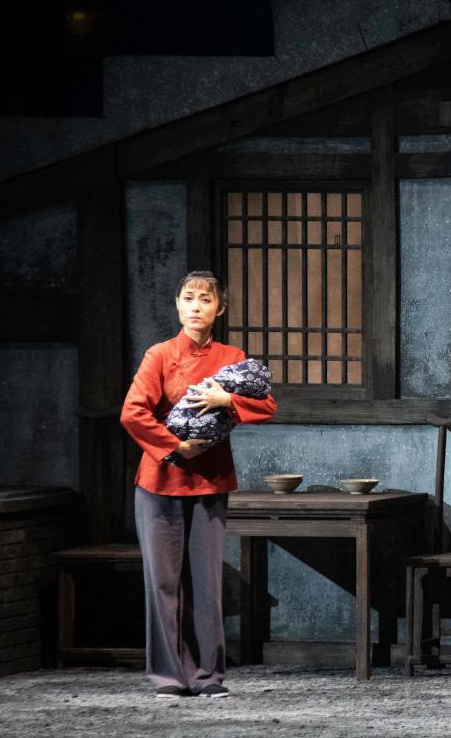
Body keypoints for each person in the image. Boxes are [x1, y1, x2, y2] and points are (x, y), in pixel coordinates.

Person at [120, 271, 277, 698]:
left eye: (206, 300)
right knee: (163, 583)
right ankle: (169, 677)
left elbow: (267, 405)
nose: (196, 306)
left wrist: (228, 400)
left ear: (219, 309)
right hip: (160, 481)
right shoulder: (159, 355)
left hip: (210, 482)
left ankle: (208, 676)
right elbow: (133, 412)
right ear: (177, 304)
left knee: (207, 584)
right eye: (188, 298)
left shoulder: (231, 356)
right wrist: (176, 447)